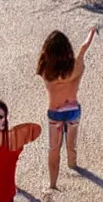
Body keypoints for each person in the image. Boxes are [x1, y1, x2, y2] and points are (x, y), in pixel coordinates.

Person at [37, 28, 96, 190]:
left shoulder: (45, 70)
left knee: (54, 148)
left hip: (55, 113)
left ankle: (53, 184)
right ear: (67, 49)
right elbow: (85, 46)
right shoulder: (77, 65)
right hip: (72, 110)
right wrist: (91, 31)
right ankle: (72, 164)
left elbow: (43, 58)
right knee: (71, 143)